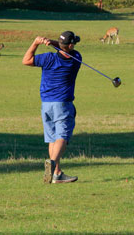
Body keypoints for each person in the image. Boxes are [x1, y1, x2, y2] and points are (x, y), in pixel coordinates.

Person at [22, 31, 83, 184]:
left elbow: (26, 60)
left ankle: (56, 174)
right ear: (70, 45)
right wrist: (53, 43)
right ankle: (52, 163)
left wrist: (36, 43)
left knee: (53, 139)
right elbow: (65, 49)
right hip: (62, 103)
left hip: (46, 104)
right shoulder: (75, 59)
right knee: (62, 136)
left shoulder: (48, 58)